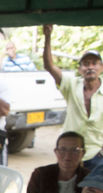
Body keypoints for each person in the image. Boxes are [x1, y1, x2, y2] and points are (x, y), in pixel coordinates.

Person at [43, 24, 103, 170]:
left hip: (97, 154)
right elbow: (50, 66)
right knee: (69, 190)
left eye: (94, 63)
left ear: (101, 68)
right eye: (86, 64)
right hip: (70, 154)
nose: (90, 67)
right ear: (80, 69)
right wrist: (48, 37)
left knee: (96, 192)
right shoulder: (71, 84)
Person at [26, 131, 90, 193]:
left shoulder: (89, 179)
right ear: (56, 152)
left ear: (83, 153)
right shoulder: (41, 174)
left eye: (75, 150)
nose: (68, 156)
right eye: (62, 149)